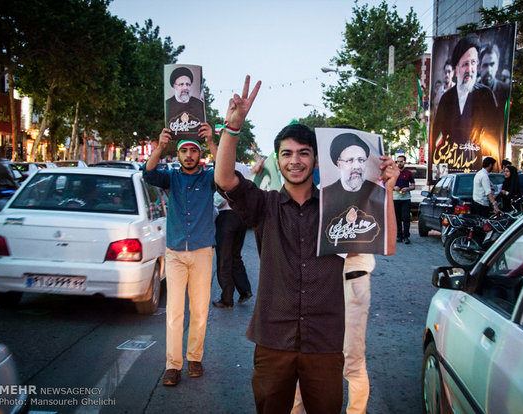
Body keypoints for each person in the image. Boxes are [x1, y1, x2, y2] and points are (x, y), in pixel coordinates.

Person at [214, 75, 397, 413]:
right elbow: (225, 179)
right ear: (277, 160)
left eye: (303, 153)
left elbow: (384, 241)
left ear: (315, 160)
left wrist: (385, 188)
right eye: (286, 154)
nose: (294, 160)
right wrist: (233, 128)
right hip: (272, 339)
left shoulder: (339, 207)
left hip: (324, 341)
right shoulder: (265, 205)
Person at [142, 123, 217, 386]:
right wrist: (160, 146)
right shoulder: (171, 177)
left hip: (201, 252)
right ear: (179, 154)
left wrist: (211, 141)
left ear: (199, 155)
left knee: (199, 310)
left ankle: (195, 358)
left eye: (192, 151)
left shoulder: (209, 178)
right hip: (174, 253)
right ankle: (173, 365)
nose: (188, 155)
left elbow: (226, 172)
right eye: (183, 150)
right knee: (174, 311)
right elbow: (148, 174)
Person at [292, 253, 375, 414]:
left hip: (351, 279)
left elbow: (386, 243)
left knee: (353, 360)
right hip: (318, 279)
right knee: (306, 352)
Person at [431, 33, 500, 172]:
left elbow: (494, 136)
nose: (470, 70)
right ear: (456, 69)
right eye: (465, 64)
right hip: (451, 164)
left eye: (473, 63)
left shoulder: (486, 95)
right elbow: (436, 135)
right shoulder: (446, 98)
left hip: (477, 164)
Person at [320, 132, 387, 248]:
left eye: (361, 160)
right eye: (350, 160)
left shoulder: (377, 192)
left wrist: (390, 188)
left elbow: (387, 244)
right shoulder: (324, 196)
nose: (357, 166)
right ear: (339, 164)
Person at [212, 162, 253, 309]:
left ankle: (226, 298)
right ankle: (245, 290)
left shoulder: (223, 166)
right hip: (241, 216)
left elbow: (221, 195)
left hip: (226, 216)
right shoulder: (244, 168)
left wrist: (213, 204)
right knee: (235, 255)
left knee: (224, 258)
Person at [165, 66, 206, 140]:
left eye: (188, 84)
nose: (185, 88)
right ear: (174, 86)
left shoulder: (199, 104)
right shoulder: (167, 105)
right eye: (181, 84)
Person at [393, 155, 415, 244]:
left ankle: (406, 236)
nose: (399, 163)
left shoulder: (409, 173)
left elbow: (413, 186)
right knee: (397, 218)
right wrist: (394, 187)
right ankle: (399, 236)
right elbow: (387, 186)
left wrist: (407, 189)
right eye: (398, 161)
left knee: (406, 218)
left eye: (401, 161)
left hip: (405, 199)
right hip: (395, 198)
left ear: (404, 162)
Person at [0, 146, 17, 212]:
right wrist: (16, 187)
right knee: (10, 211)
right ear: (0, 154)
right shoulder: (1, 167)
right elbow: (11, 181)